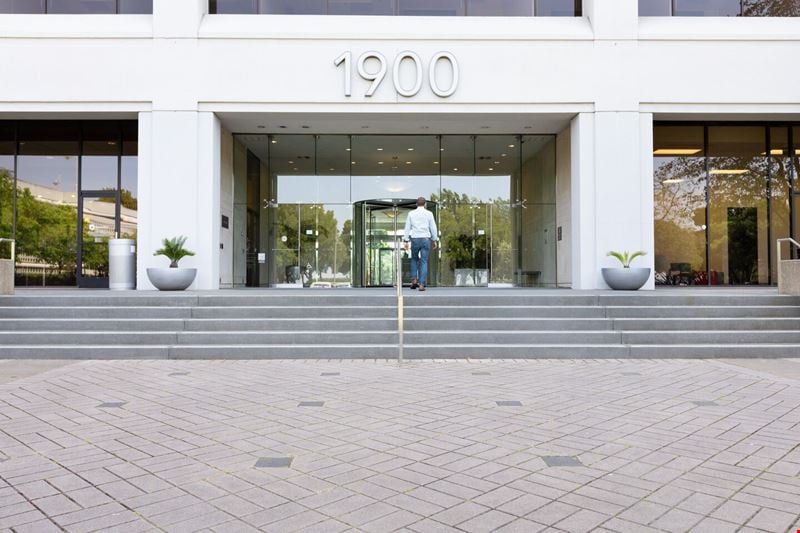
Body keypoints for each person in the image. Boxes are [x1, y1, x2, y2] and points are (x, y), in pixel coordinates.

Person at [402, 197, 438, 291]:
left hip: (415, 239)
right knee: (424, 261)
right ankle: (421, 284)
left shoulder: (411, 213)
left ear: (416, 204)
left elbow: (407, 227)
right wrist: (434, 240)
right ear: (425, 204)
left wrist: (406, 240)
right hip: (426, 239)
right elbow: (433, 227)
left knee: (414, 259)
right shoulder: (429, 214)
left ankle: (414, 280)